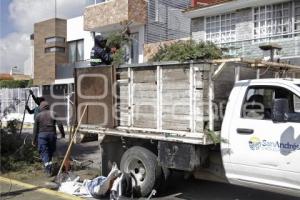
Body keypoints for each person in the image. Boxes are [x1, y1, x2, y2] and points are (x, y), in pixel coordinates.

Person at [32, 101, 65, 176]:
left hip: (42, 136)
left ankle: (48, 171)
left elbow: (35, 129)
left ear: (41, 108)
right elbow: (60, 124)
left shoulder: (38, 116)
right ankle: (48, 168)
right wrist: (62, 134)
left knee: (44, 152)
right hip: (52, 135)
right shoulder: (54, 113)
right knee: (50, 152)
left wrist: (33, 140)